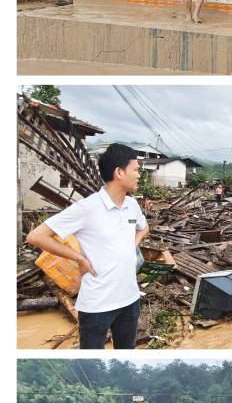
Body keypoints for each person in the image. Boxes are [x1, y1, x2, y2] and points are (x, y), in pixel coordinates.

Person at [26, 143, 149, 349]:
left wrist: (132, 246)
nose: (139, 175)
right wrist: (79, 258)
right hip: (97, 304)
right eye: (135, 170)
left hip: (129, 300)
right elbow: (36, 236)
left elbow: (143, 228)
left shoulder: (132, 205)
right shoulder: (87, 208)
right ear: (119, 172)